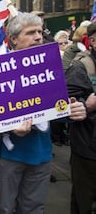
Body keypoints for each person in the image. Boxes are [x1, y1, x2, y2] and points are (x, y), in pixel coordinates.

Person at [0, 13, 87, 214]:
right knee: (4, 209)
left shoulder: (50, 65)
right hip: (7, 156)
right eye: (31, 33)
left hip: (40, 155)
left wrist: (76, 107)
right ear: (13, 39)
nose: (39, 37)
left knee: (34, 209)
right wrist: (8, 126)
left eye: (40, 31)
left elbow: (60, 107)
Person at [64, 21, 96, 213]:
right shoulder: (81, 67)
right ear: (92, 41)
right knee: (85, 202)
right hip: (89, 150)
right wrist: (87, 106)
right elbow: (65, 103)